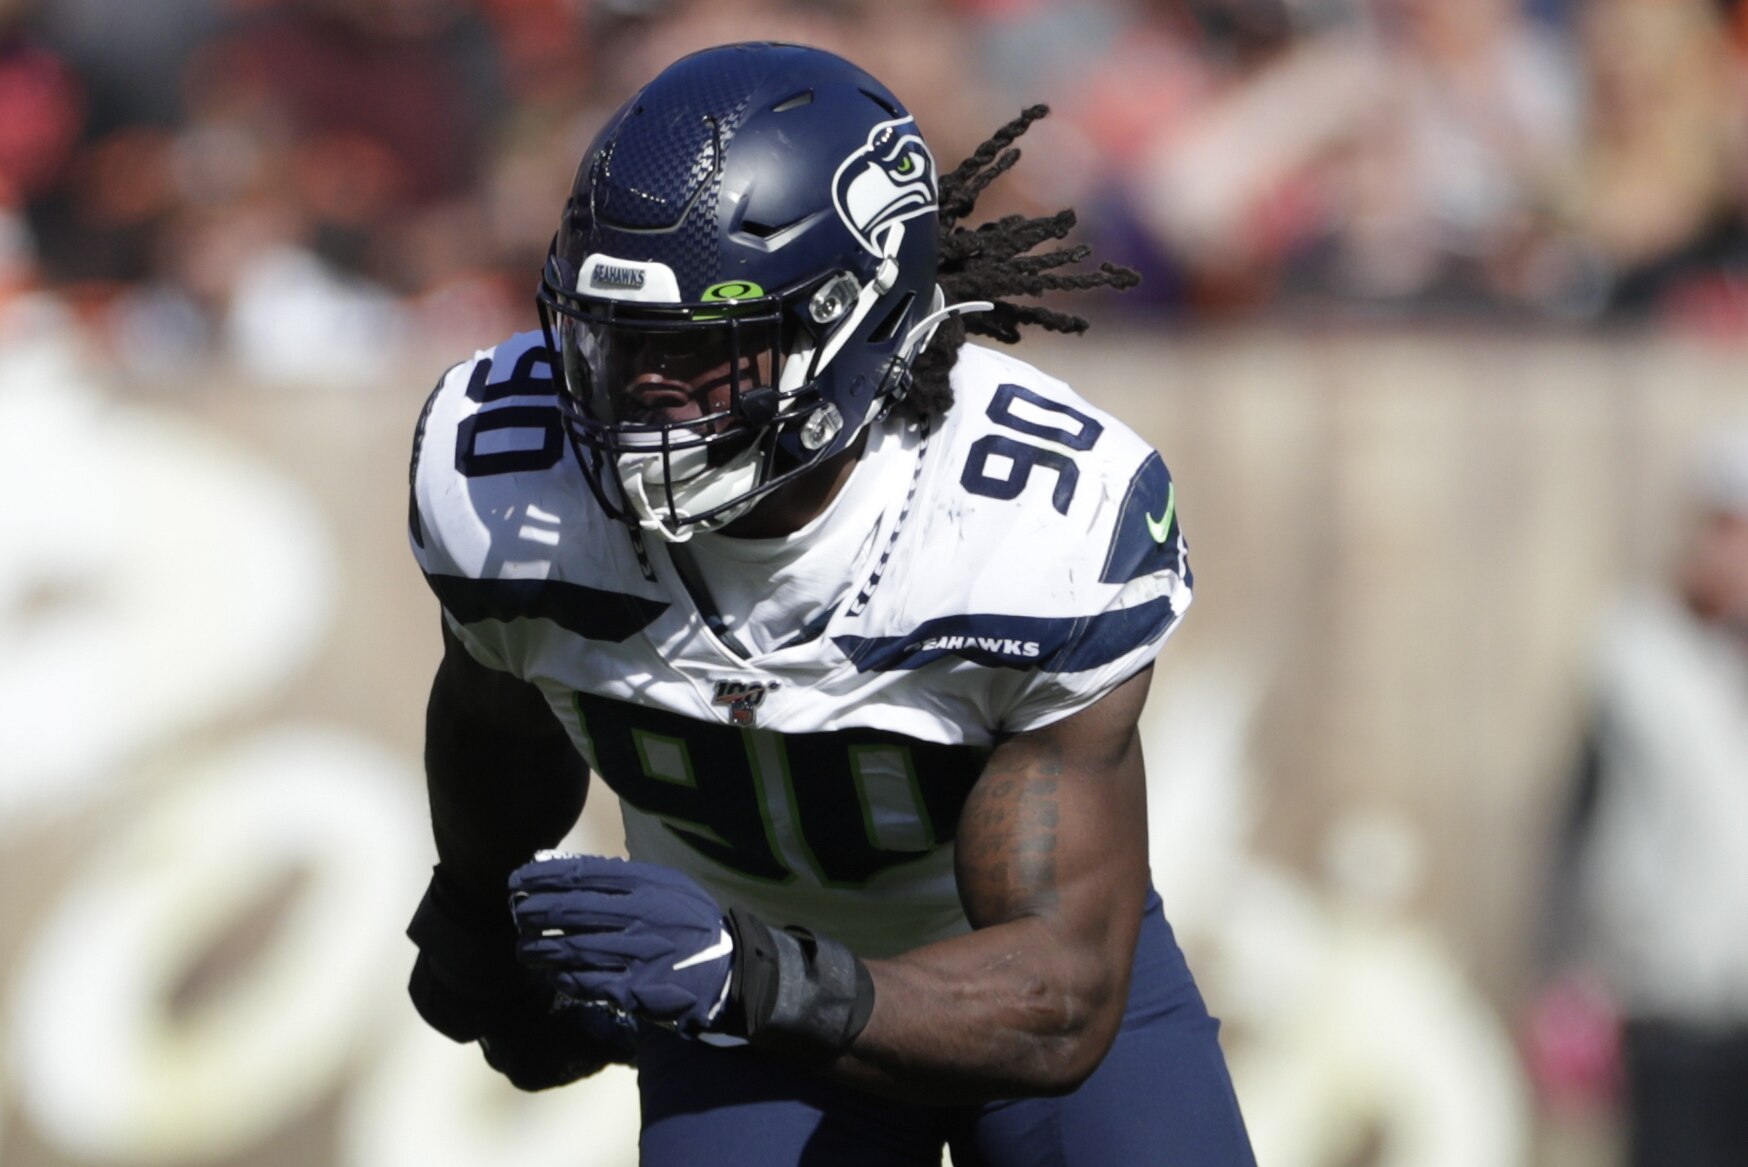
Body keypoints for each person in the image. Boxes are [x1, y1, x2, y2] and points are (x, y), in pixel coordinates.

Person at [404, 41, 1255, 1166]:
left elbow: (1058, 998)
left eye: (703, 350)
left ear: (853, 326)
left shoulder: (1030, 528)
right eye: (616, 339)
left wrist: (754, 977)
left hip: (979, 964)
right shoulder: (507, 484)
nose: (640, 394)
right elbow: (497, 703)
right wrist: (477, 907)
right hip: (734, 979)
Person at [1528, 428, 1748, 1167]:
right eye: (1728, 529)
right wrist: (1567, 972)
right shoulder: (1637, 660)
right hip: (1669, 1009)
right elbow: (1579, 823)